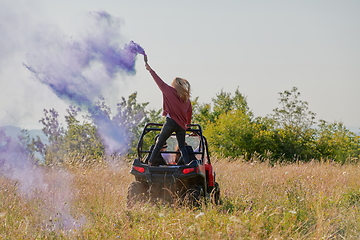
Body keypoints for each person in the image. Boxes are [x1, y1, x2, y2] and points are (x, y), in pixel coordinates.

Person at [144, 55, 192, 166]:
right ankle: (187, 164)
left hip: (170, 122)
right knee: (182, 146)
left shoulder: (169, 91)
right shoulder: (187, 99)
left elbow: (158, 81)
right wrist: (188, 125)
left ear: (174, 85)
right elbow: (189, 113)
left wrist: (150, 70)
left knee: (160, 142)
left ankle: (150, 163)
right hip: (181, 126)